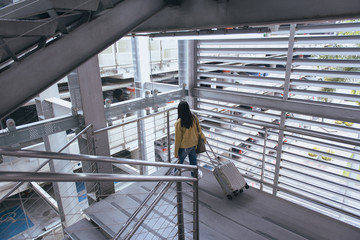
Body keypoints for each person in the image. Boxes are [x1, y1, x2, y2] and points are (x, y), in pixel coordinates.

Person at [174, 101, 206, 176]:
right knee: (193, 164)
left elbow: (177, 139)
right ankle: (194, 179)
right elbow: (199, 131)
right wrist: (204, 139)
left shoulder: (179, 123)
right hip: (194, 145)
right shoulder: (194, 118)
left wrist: (176, 152)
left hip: (184, 147)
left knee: (179, 163)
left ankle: (174, 177)